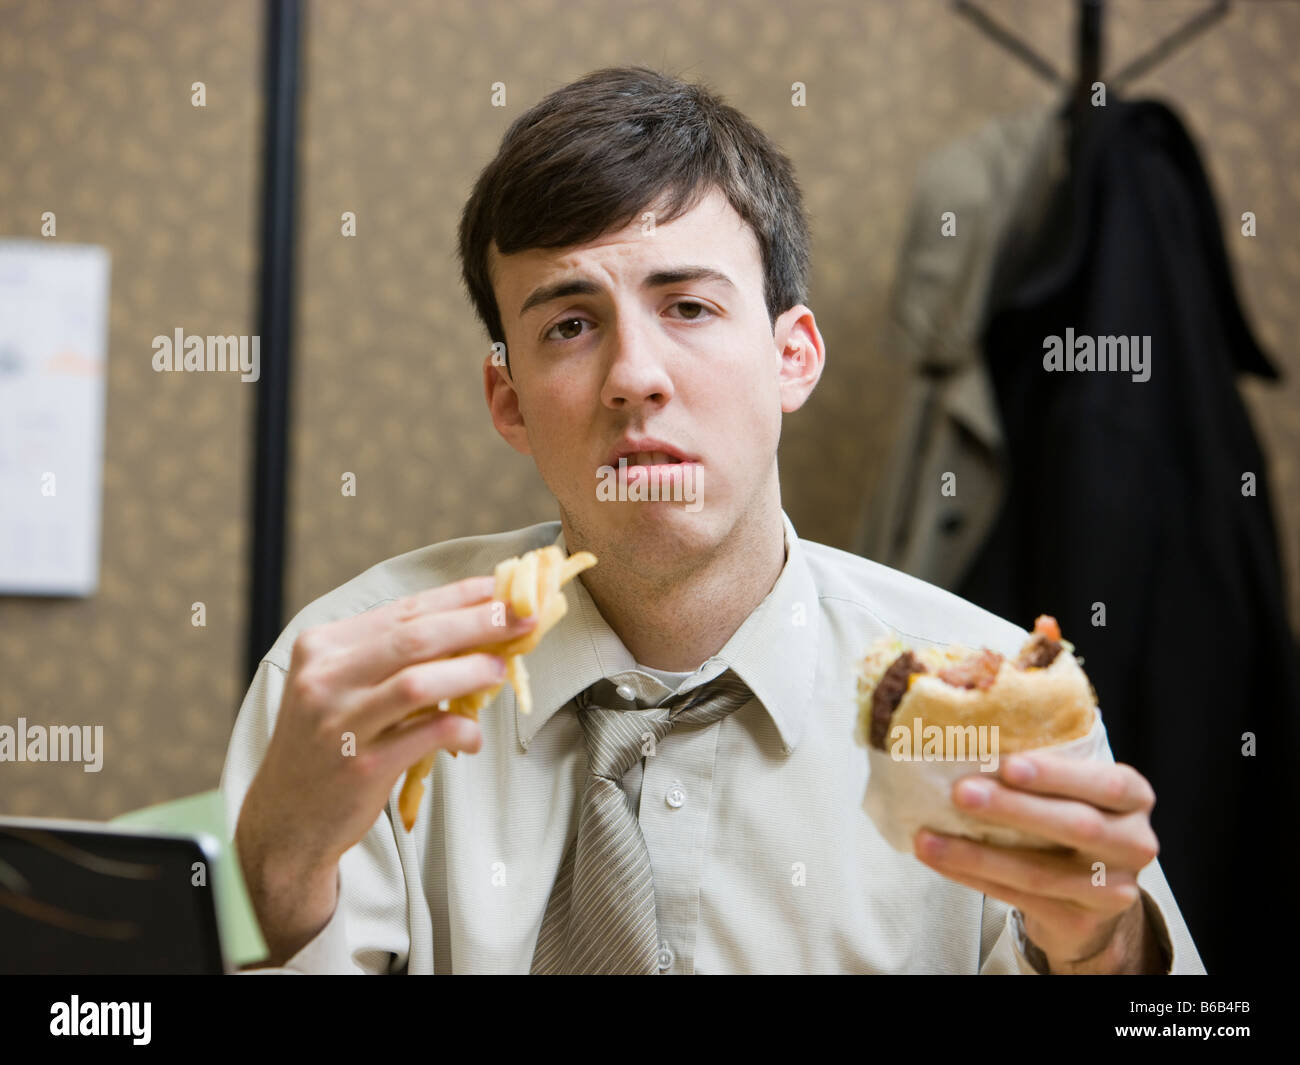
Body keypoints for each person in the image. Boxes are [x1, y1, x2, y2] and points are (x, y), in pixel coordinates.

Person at [221, 66, 1204, 974]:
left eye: (687, 306)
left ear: (793, 359)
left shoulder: (997, 707)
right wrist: (280, 874)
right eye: (569, 324)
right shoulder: (348, 689)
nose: (634, 377)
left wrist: (1103, 954)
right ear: (508, 399)